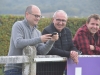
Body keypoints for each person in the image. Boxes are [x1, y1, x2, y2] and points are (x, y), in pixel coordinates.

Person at [4, 5, 58, 75]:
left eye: (39, 16)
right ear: (27, 14)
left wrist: (51, 41)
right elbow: (18, 43)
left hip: (29, 68)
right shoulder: (18, 25)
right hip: (13, 69)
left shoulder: (38, 32)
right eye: (36, 16)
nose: (38, 18)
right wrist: (39, 39)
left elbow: (42, 51)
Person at [37, 10, 79, 75]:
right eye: (58, 20)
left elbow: (71, 46)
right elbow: (50, 50)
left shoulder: (67, 31)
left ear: (66, 21)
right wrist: (68, 54)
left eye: (63, 20)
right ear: (53, 19)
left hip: (61, 69)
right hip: (47, 69)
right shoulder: (47, 31)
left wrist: (74, 52)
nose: (60, 23)